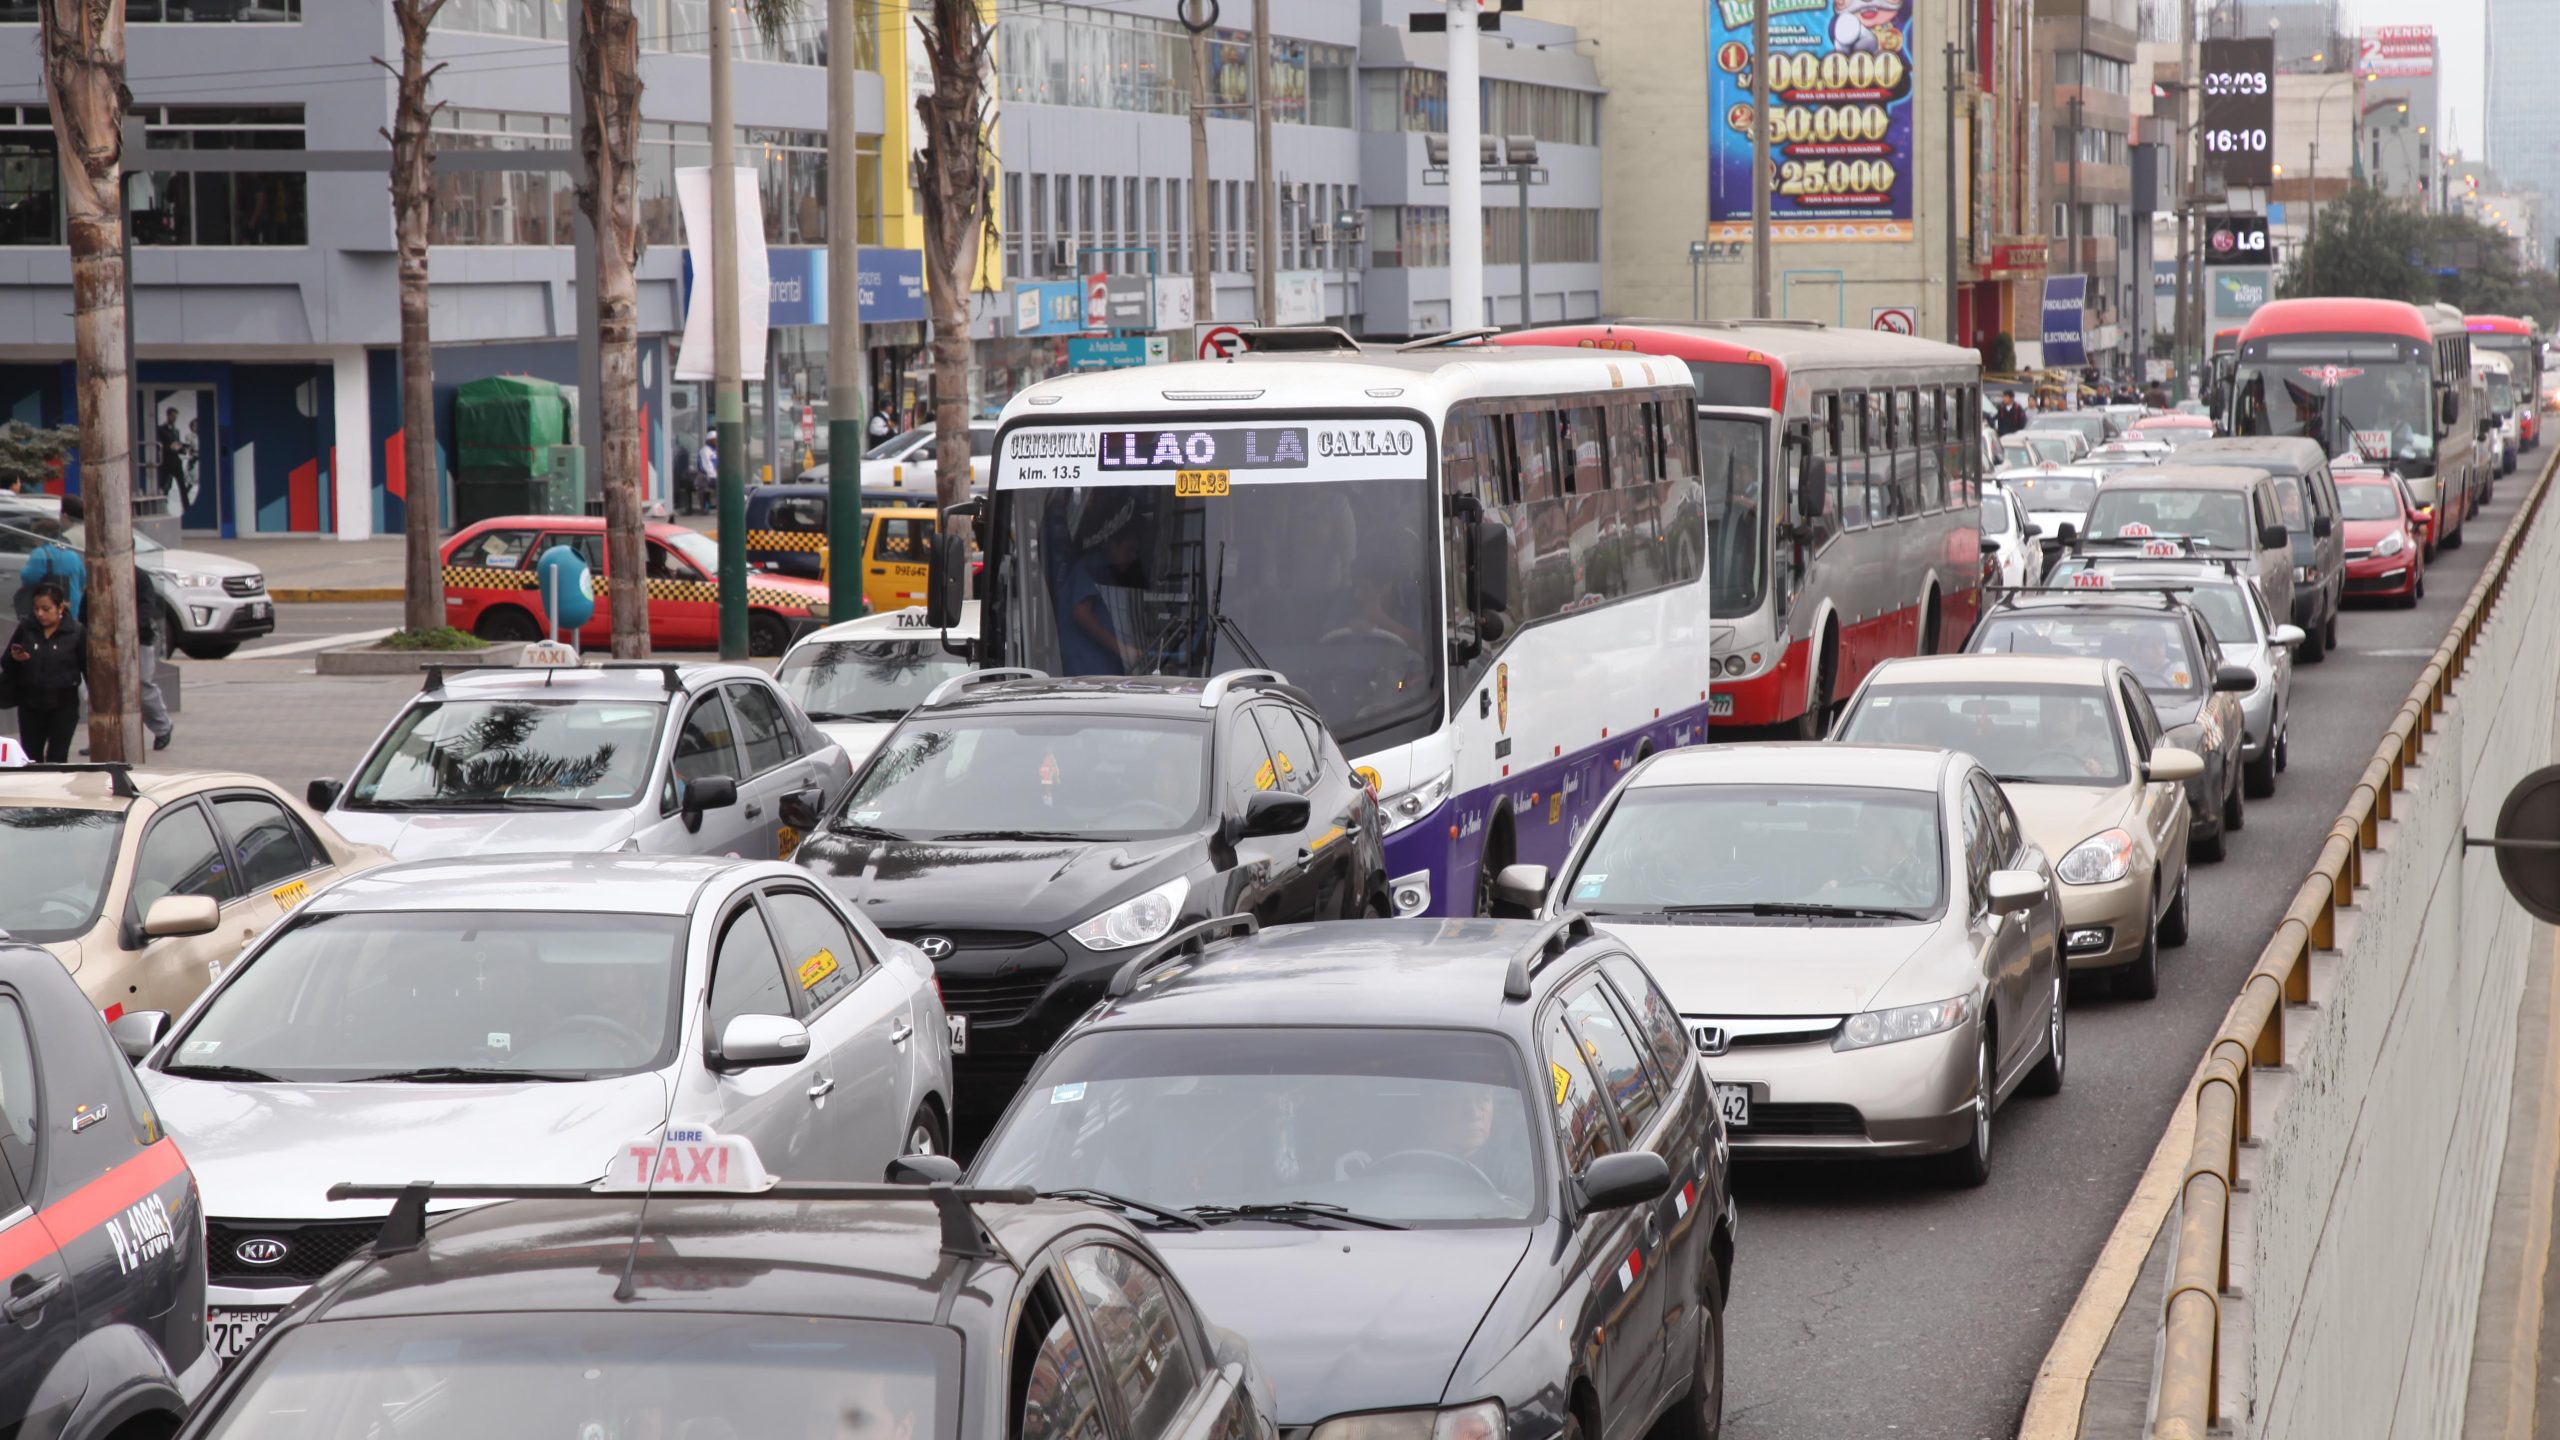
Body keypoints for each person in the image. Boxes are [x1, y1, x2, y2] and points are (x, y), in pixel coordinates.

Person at [4, 583, 85, 764]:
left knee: (57, 757)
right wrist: (15, 658)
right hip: (31, 705)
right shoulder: (26, 628)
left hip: (63, 705)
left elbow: (87, 667)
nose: (40, 614)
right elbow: (6, 662)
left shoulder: (76, 632)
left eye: (46, 609)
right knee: (31, 757)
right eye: (36, 609)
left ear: (60, 608)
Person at [16, 498, 84, 622]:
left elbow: (27, 576)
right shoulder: (72, 554)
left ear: (40, 536)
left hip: (49, 609)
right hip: (72, 609)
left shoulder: (41, 553)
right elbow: (83, 579)